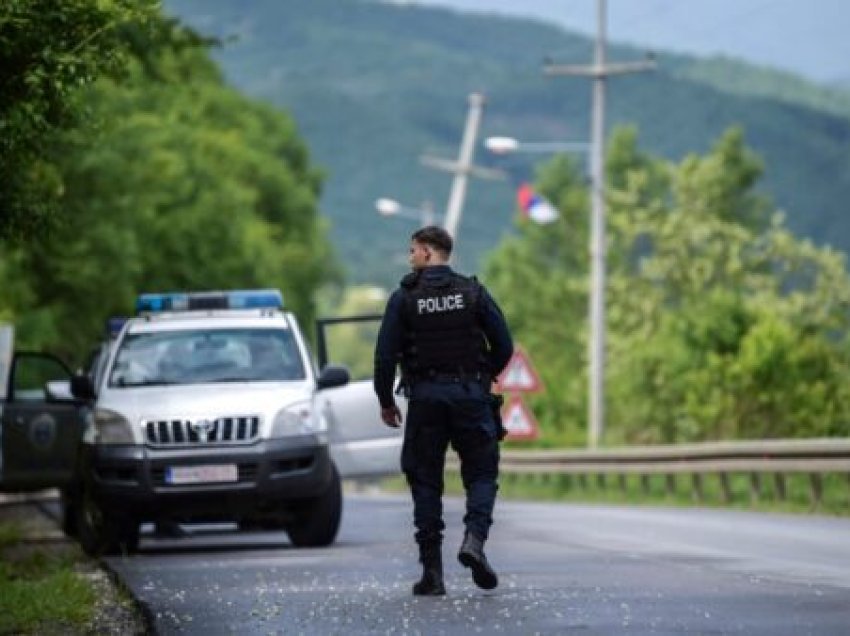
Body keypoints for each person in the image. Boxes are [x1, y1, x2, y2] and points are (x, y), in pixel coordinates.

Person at [374, 226, 513, 596]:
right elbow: (504, 344)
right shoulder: (473, 292)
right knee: (482, 474)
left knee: (425, 480)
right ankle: (474, 542)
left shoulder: (403, 299)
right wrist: (483, 377)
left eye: (412, 251)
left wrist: (385, 401)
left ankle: (432, 574)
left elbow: (385, 356)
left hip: (426, 399)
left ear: (427, 252)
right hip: (470, 395)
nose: (410, 258)